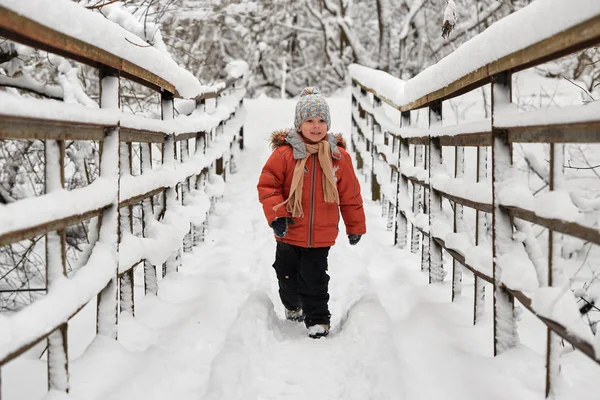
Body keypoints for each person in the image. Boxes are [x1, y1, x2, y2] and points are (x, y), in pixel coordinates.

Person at [257, 86, 367, 339]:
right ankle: (292, 305)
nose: (316, 127)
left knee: (315, 278)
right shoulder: (284, 155)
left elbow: (350, 196)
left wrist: (355, 226)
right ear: (299, 124)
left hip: (321, 234)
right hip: (289, 230)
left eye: (321, 121)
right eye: (309, 121)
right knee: (286, 276)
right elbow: (268, 186)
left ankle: (318, 319)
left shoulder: (339, 158)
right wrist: (277, 216)